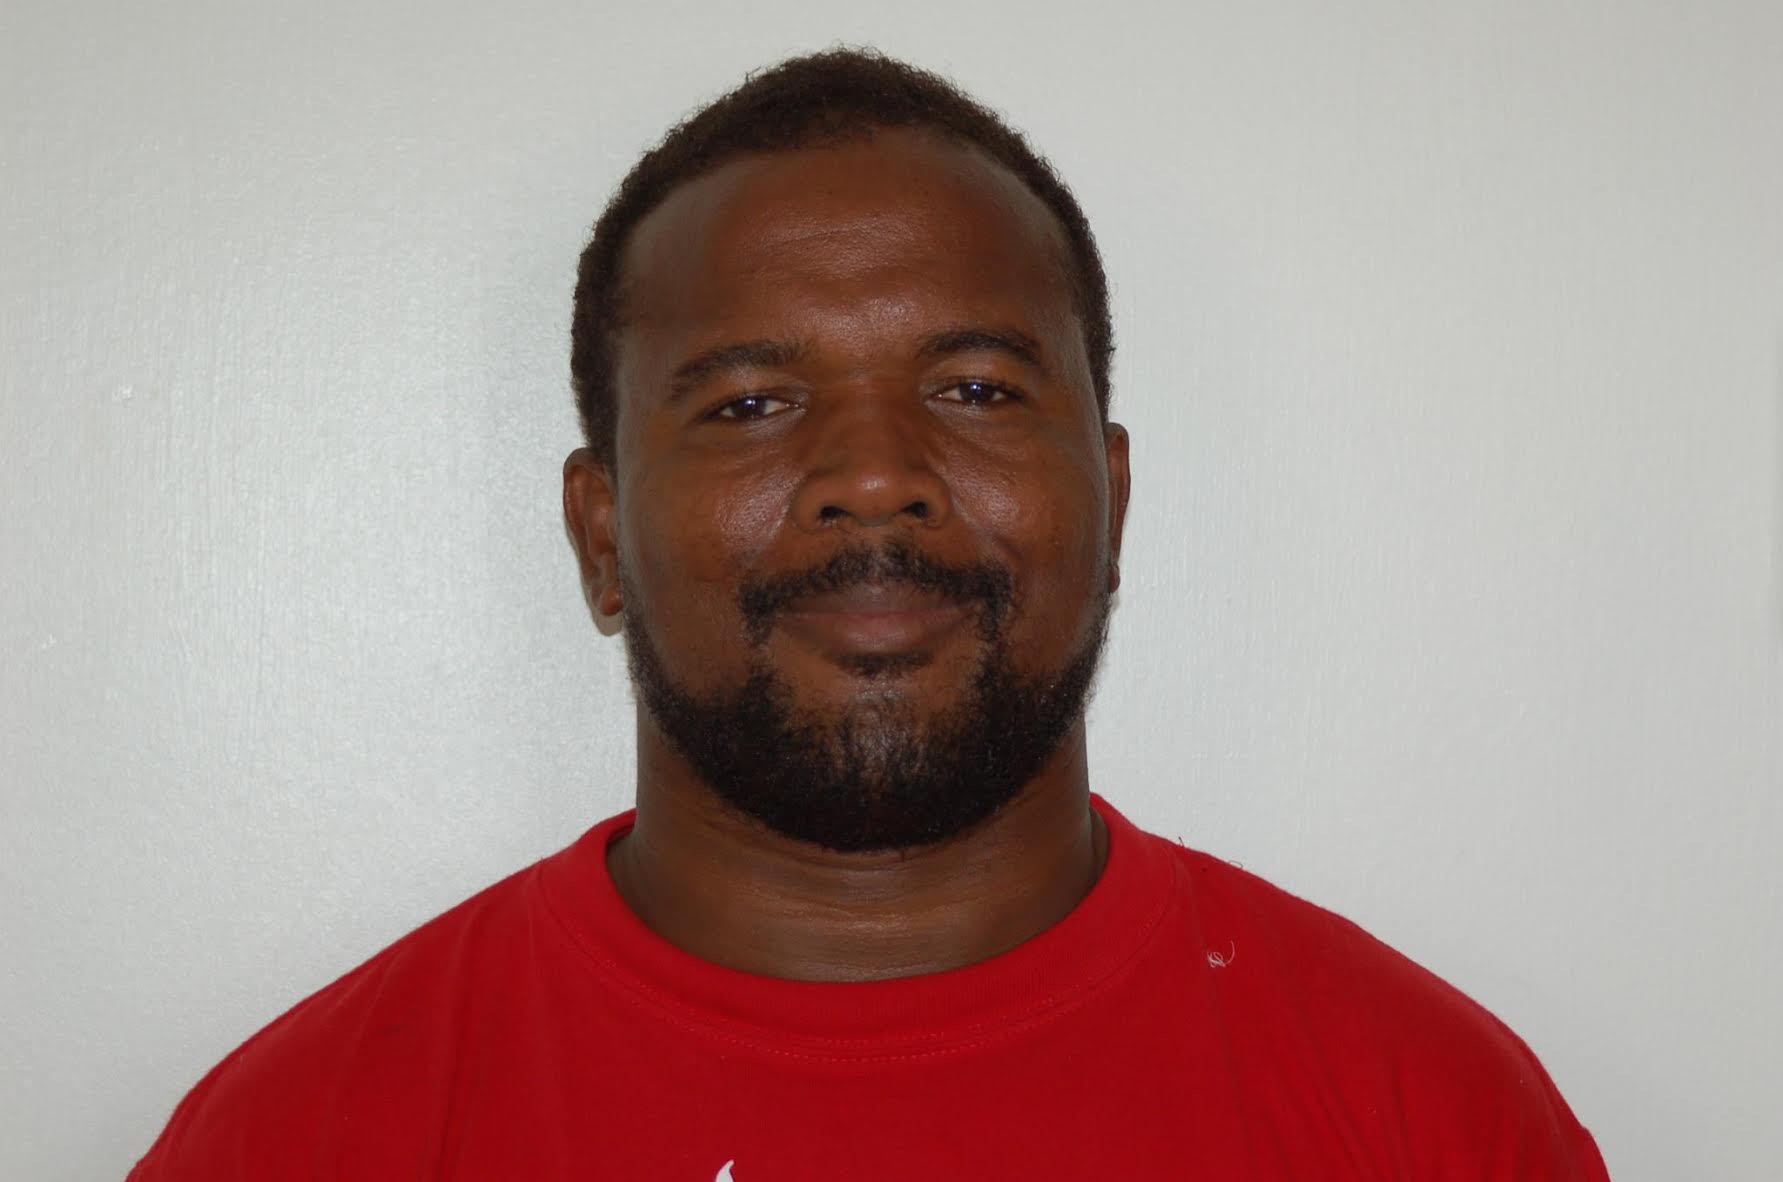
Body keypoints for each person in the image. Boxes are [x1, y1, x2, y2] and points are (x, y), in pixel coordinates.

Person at [132, 49, 1608, 1179]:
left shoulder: (1429, 1121)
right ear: (600, 534)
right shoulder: (299, 1140)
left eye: (974, 389)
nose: (876, 475)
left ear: (1110, 502)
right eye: (751, 403)